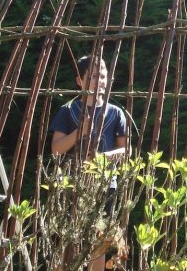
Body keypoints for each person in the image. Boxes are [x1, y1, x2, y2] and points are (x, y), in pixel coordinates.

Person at [49, 55, 128, 271]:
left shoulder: (116, 113)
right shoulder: (68, 111)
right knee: (69, 236)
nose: (100, 80)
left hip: (105, 183)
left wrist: (103, 158)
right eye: (93, 76)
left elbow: (126, 150)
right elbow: (56, 148)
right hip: (74, 182)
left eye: (103, 75)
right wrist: (79, 132)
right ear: (79, 80)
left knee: (99, 238)